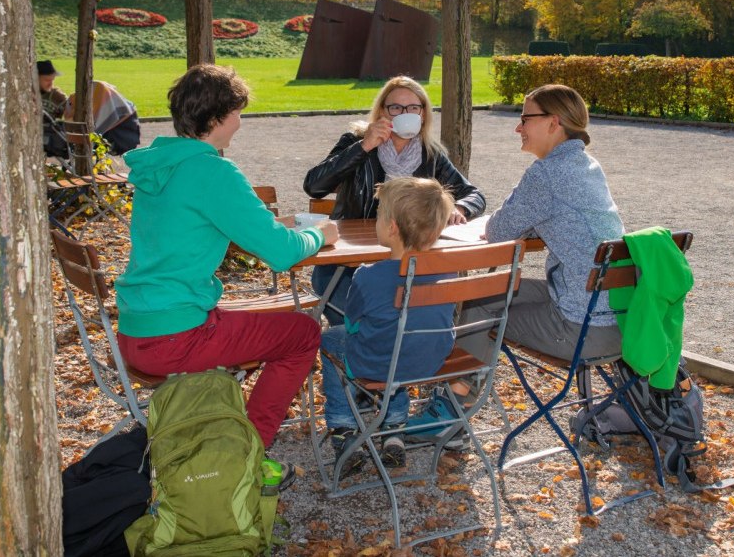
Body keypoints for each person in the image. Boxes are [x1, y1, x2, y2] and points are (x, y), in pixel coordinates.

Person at [114, 64, 339, 480]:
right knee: (303, 333)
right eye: (237, 112)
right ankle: (248, 452)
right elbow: (281, 253)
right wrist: (320, 234)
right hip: (177, 336)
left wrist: (268, 228)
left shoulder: (157, 167)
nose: (240, 121)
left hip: (135, 329)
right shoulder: (213, 171)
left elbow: (190, 228)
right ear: (219, 116)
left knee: (260, 328)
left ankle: (222, 429)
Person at [407, 84, 624, 436]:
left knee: (479, 301)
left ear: (554, 122)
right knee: (486, 294)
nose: (518, 127)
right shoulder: (587, 165)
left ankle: (452, 408)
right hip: (616, 320)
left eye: (526, 118)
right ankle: (456, 398)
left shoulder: (547, 173)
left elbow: (499, 229)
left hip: (580, 329)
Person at [303, 76, 485, 325]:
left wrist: (459, 208)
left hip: (408, 258)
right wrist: (364, 146)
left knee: (409, 306)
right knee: (349, 305)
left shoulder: (431, 154)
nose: (405, 113)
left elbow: (474, 194)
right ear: (382, 112)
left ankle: (389, 340)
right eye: (396, 107)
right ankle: (380, 340)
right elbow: (314, 186)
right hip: (350, 258)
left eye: (413, 108)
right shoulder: (355, 142)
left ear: (423, 114)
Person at [319, 177, 457, 477]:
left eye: (379, 214)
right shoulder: (449, 270)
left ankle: (344, 428)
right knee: (399, 341)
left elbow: (351, 323)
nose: (376, 220)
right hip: (430, 362)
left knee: (332, 339)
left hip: (380, 362)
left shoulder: (370, 275)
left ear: (392, 227)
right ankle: (394, 429)